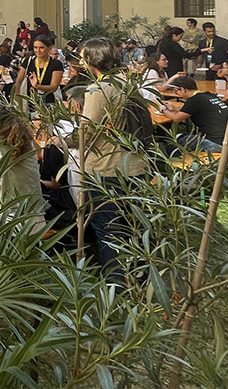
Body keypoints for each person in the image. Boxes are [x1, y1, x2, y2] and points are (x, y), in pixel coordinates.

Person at [78, 37, 147, 283]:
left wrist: (61, 140)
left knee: (109, 229)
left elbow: (86, 134)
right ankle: (140, 280)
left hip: (108, 168)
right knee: (133, 228)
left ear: (91, 60)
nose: (80, 62)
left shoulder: (99, 89)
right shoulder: (127, 82)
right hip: (135, 165)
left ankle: (116, 285)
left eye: (82, 57)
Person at [161, 75, 228, 153]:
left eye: (176, 91)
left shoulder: (194, 100)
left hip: (213, 143)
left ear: (183, 89)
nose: (175, 93)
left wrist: (164, 110)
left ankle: (174, 163)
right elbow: (195, 109)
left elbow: (177, 119)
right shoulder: (207, 95)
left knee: (174, 143)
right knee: (184, 138)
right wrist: (174, 108)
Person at [14, 34, 64, 106]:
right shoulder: (29, 61)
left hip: (49, 102)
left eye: (41, 47)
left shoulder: (56, 64)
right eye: (35, 47)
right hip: (30, 102)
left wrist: (38, 86)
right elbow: (19, 80)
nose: (38, 50)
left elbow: (54, 87)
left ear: (49, 48)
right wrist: (17, 95)